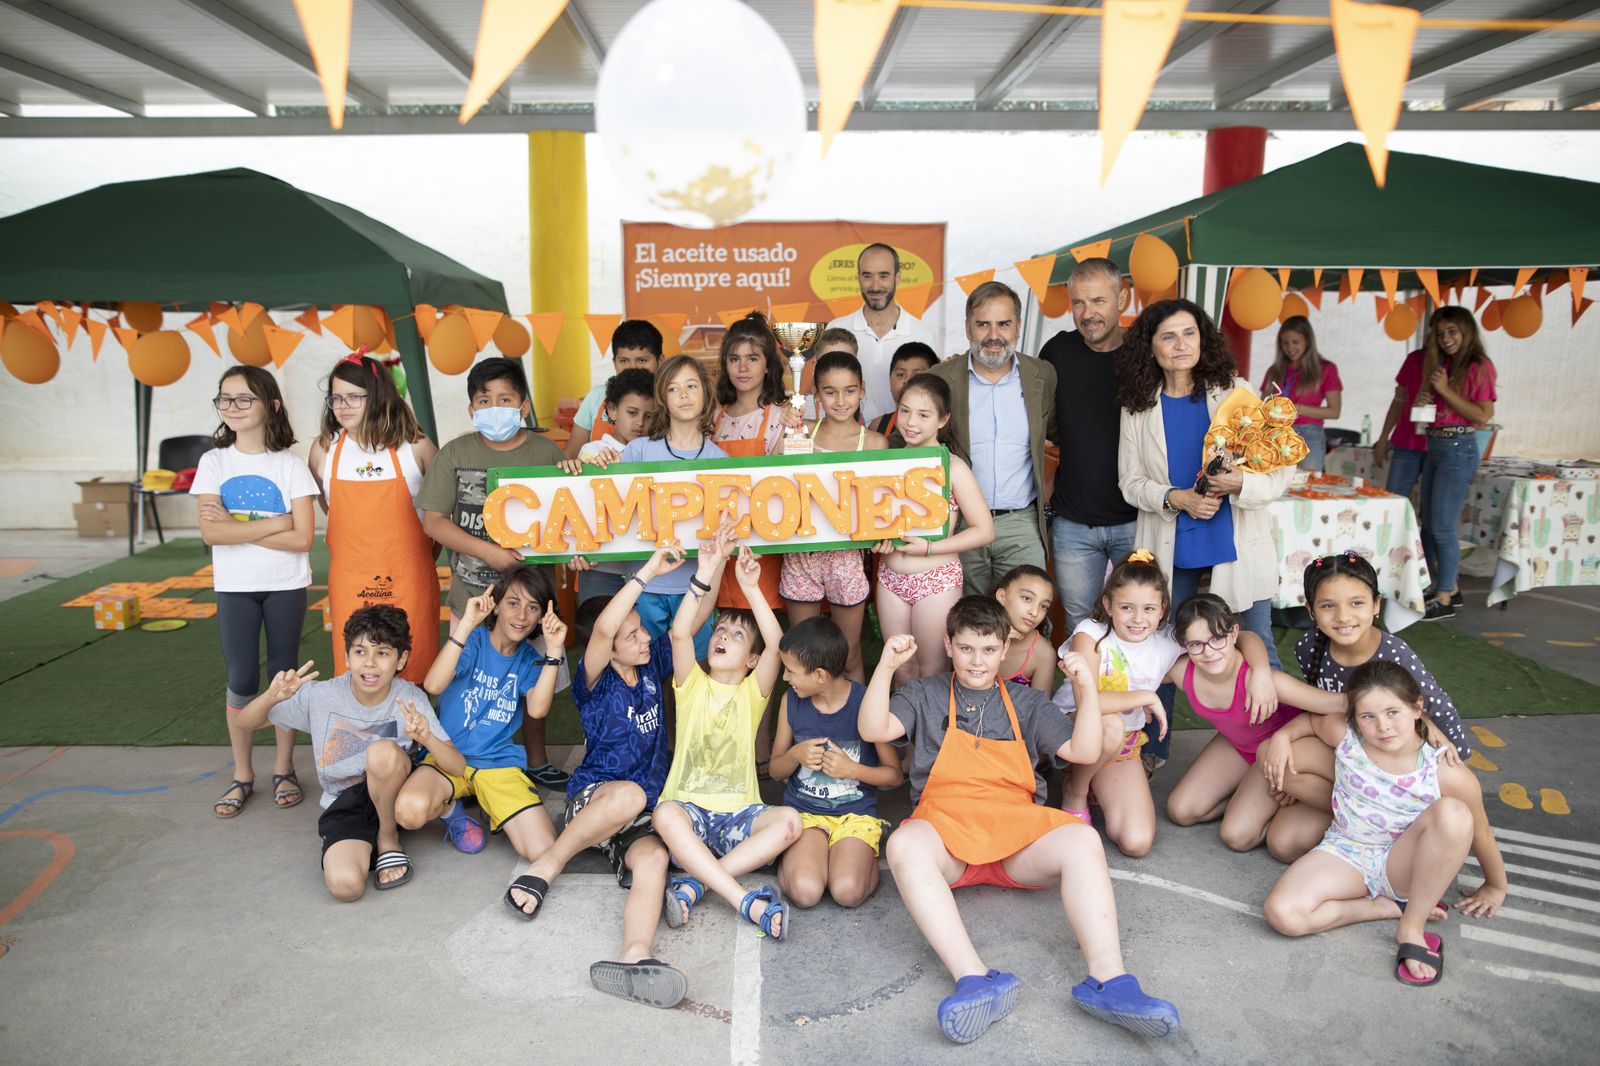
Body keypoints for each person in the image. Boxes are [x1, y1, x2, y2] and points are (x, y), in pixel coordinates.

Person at [860, 598, 1179, 1044]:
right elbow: (874, 729)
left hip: (1017, 840)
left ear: (1004, 646)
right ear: (948, 645)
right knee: (902, 844)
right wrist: (886, 667)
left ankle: (1110, 982)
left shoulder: (1028, 702)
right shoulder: (924, 693)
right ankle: (975, 980)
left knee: (1082, 840)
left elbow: (1084, 753)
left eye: (988, 650)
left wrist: (1087, 690)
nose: (977, 661)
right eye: (967, 648)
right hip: (947, 836)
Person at [1115, 299, 1291, 771]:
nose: (1180, 345)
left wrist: (1240, 484)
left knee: (1256, 640)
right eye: (1168, 336)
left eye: (1189, 333)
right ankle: (1152, 750)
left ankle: (1275, 747)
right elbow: (1129, 482)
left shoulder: (1235, 392)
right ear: (1150, 347)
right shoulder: (1138, 407)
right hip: (1173, 540)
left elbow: (1279, 472)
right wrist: (1178, 498)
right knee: (1163, 646)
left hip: (1235, 539)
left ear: (1203, 338)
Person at [505, 544, 684, 1008]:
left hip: (640, 813)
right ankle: (548, 864)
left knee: (654, 862)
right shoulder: (593, 680)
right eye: (632, 635)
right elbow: (605, 626)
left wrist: (714, 562)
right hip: (598, 799)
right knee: (626, 796)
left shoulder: (651, 667)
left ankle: (633, 957)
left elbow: (689, 621)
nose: (644, 638)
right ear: (605, 649)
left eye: (642, 630)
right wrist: (648, 570)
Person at [1263, 661, 1508, 986]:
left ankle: (1411, 925)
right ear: (1354, 718)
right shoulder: (1346, 737)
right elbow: (1309, 722)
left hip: (1403, 863)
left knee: (1454, 813)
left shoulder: (1444, 770)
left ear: (1417, 708)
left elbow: (1480, 830)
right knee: (1283, 914)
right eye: (1368, 717)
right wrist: (1281, 737)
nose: (1383, 727)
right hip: (1347, 851)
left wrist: (1495, 886)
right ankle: (1383, 908)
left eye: (1393, 712)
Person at [232, 605, 465, 899]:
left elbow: (457, 766)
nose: (369, 663)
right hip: (346, 804)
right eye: (359, 652)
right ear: (346, 656)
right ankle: (362, 843)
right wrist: (271, 697)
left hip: (396, 796)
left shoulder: (409, 697)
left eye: (382, 653)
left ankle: (388, 838)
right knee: (346, 887)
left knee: (381, 753)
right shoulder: (320, 695)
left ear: (401, 659)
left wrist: (428, 738)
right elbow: (245, 723)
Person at [1052, 551, 1274, 855]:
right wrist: (1145, 696)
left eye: (1148, 609)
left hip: (1122, 745)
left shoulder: (1166, 642)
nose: (1138, 618)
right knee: (1111, 724)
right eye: (1126, 607)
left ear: (1162, 610)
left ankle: (1095, 781)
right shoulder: (1091, 634)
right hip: (1073, 729)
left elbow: (1244, 636)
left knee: (1137, 841)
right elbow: (1087, 703)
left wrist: (1261, 670)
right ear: (1108, 605)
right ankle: (1075, 792)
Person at [416, 356, 571, 789]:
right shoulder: (455, 453)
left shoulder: (545, 452)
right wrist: (490, 553)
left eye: (505, 399)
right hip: (471, 598)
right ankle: (455, 763)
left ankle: (535, 758)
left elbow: (570, 513)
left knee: (535, 678)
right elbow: (434, 521)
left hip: (533, 602)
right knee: (462, 680)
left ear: (523, 406)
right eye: (485, 400)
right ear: (471, 409)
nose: (494, 407)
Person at [1262, 552, 1474, 862]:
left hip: (1395, 771)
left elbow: (1439, 711)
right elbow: (1321, 708)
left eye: (1356, 603)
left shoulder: (1395, 655)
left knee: (1287, 835)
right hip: (1350, 758)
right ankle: (1363, 820)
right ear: (1310, 610)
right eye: (1328, 605)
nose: (1343, 617)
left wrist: (1454, 765)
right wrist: (1285, 744)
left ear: (1376, 604)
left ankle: (1394, 826)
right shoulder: (1309, 647)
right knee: (1283, 843)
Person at [652, 537, 801, 942]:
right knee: (664, 814)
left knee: (790, 822)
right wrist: (706, 570)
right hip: (690, 811)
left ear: (752, 660)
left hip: (740, 815)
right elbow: (680, 633)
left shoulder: (754, 693)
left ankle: (695, 884)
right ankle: (743, 900)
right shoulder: (691, 684)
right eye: (721, 629)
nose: (723, 635)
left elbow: (777, 644)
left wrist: (752, 589)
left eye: (737, 635)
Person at [192, 365, 318, 819]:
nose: (232, 407)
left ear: (272, 405)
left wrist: (237, 526)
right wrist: (274, 523)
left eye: (244, 398)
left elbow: (303, 538)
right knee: (242, 677)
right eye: (225, 399)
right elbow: (210, 533)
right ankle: (242, 774)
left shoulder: (289, 464)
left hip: (284, 585)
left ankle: (284, 768)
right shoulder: (214, 462)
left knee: (282, 676)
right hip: (235, 588)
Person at [400, 566, 563, 870]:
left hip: (498, 763)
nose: (522, 615)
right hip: (447, 756)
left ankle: (491, 803)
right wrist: (466, 625)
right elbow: (434, 684)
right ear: (496, 604)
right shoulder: (472, 641)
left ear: (541, 616)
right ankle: (454, 813)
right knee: (409, 811)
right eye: (513, 603)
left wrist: (553, 650)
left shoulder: (530, 659)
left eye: (533, 607)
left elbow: (538, 710)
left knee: (542, 850)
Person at [1164, 593, 1347, 853]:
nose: (1209, 652)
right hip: (1238, 745)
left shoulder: (1262, 678)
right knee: (1181, 811)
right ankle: (1245, 794)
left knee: (1237, 836)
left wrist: (1411, 713)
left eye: (1217, 639)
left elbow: (1337, 704)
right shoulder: (1181, 671)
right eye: (1196, 644)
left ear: (1233, 633)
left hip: (1279, 749)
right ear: (1184, 644)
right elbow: (1137, 666)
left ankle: (1274, 799)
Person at [911, 281, 1057, 596]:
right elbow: (906, 442)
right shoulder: (940, 377)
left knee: (1029, 621)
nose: (993, 335)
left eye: (1003, 323)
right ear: (967, 328)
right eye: (983, 324)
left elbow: (1054, 432)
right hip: (958, 524)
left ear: (1018, 326)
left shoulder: (1042, 376)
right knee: (961, 622)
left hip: (1021, 524)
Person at [308, 349, 440, 684]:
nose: (343, 406)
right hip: (350, 579)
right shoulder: (324, 449)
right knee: (358, 672)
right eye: (336, 398)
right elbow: (330, 508)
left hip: (408, 577)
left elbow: (440, 515)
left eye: (354, 396)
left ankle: (413, 737)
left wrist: (418, 557)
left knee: (414, 669)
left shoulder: (417, 446)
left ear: (379, 396)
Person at [769, 617, 903, 909]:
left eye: (790, 671)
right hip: (805, 815)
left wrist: (851, 770)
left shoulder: (866, 702)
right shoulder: (790, 702)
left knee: (847, 892)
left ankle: (856, 860)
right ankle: (791, 862)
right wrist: (794, 755)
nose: (785, 678)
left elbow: (894, 776)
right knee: (805, 892)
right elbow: (774, 769)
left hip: (855, 816)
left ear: (819, 675)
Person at [872, 372, 995, 687]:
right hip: (890, 579)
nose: (911, 422)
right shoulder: (887, 463)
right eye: (905, 411)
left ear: (943, 419)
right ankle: (902, 737)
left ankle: (932, 738)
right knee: (900, 670)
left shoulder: (952, 467)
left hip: (936, 580)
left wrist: (928, 547)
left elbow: (984, 530)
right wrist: (877, 540)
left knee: (932, 673)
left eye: (923, 415)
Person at [1040, 258, 1138, 630]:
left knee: (1139, 625)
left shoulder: (1143, 355)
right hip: (1073, 522)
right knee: (1081, 625)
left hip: (1136, 517)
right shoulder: (1057, 352)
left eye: (1098, 301)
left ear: (1122, 299)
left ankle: (1142, 692)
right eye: (1078, 302)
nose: (1087, 313)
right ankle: (1086, 692)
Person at [612, 355, 730, 659]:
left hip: (696, 585)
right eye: (674, 389)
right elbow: (614, 514)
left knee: (694, 669)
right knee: (647, 670)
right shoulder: (637, 451)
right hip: (645, 583)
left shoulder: (721, 461)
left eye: (691, 386)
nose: (684, 395)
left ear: (706, 394)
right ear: (663, 397)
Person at [780, 351, 887, 681]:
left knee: (849, 652)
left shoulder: (874, 443)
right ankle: (809, 727)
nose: (841, 400)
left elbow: (882, 504)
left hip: (847, 557)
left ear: (862, 389)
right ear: (815, 394)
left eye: (850, 390)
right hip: (801, 554)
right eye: (830, 391)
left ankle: (859, 729)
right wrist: (786, 428)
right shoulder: (803, 433)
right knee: (803, 653)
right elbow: (769, 481)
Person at [710, 312, 795, 611]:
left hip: (763, 541)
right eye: (734, 359)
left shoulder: (780, 416)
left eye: (753, 358)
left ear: (769, 364)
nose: (742, 367)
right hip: (720, 537)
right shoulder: (712, 418)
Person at [1415, 307, 1496, 621]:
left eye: (1452, 332)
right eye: (1440, 333)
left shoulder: (1478, 365)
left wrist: (1444, 391)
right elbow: (1448, 406)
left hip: (1459, 447)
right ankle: (1451, 587)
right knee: (1431, 524)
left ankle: (1445, 594)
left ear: (1466, 331)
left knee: (1443, 527)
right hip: (1436, 443)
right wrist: (1428, 402)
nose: (1445, 338)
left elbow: (1483, 414)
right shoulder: (1446, 365)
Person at [572, 367, 656, 605]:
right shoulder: (593, 452)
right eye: (632, 412)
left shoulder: (658, 455)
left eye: (649, 416)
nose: (640, 422)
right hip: (601, 568)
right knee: (597, 631)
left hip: (645, 568)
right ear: (612, 410)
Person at [826, 242, 936, 419]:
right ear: (859, 278)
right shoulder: (836, 330)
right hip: (849, 442)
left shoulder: (922, 334)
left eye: (884, 276)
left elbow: (931, 397)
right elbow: (821, 389)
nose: (875, 286)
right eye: (867, 276)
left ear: (897, 278)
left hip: (904, 440)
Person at [564, 319, 663, 460]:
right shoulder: (596, 396)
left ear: (660, 361)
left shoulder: (670, 398)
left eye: (642, 360)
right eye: (624, 361)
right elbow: (571, 456)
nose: (632, 367)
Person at [1259, 316, 1342, 472]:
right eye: (1285, 343)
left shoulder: (1326, 369)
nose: (1290, 348)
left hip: (1308, 435)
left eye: (1295, 342)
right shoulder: (1274, 371)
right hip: (1275, 434)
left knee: (1307, 485)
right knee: (1273, 487)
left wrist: (1296, 408)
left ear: (1308, 341)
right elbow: (1261, 407)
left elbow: (1334, 412)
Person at [992, 564, 1055, 691]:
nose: (1035, 612)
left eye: (1043, 606)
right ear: (1002, 596)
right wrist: (991, 642)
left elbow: (1039, 708)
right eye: (1027, 598)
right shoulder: (972, 632)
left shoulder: (1044, 654)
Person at [870, 341, 937, 437]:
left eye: (917, 375)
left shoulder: (943, 426)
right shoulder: (878, 426)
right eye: (900, 374)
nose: (907, 381)